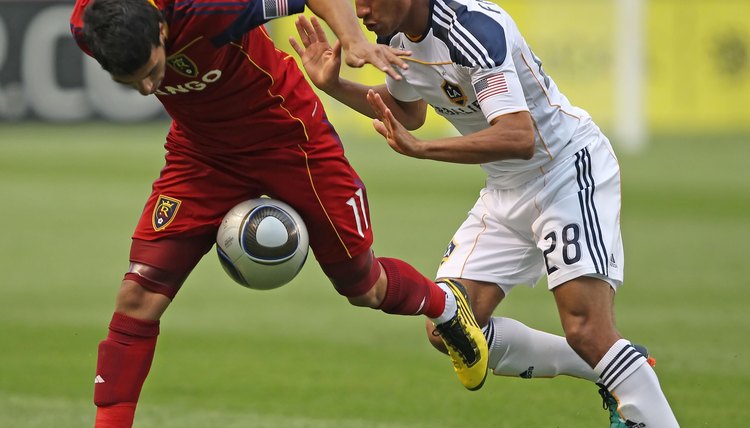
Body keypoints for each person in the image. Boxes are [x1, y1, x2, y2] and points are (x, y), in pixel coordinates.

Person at [69, 0, 491, 426]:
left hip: (289, 138)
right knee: (138, 296)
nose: (146, 89)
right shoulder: (90, 27)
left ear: (161, 30)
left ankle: (446, 307)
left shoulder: (207, 9)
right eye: (132, 81)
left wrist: (352, 39)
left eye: (152, 71)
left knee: (364, 288)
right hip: (202, 154)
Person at [289, 0, 680, 426]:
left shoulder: (473, 29)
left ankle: (617, 370)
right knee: (449, 328)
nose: (359, 9)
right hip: (505, 187)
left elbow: (519, 135)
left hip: (566, 172)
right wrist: (334, 85)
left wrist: (423, 151)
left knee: (586, 329)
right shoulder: (395, 36)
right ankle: (612, 366)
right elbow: (409, 112)